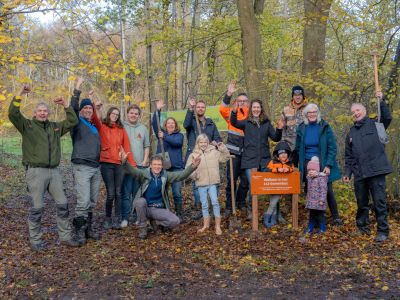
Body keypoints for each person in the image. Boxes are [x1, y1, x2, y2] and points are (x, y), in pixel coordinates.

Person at [8, 84, 80, 251]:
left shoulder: (54, 127)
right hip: (35, 172)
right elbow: (12, 113)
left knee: (63, 204)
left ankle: (66, 237)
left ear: (48, 113)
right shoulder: (27, 126)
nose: (42, 113)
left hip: (54, 172)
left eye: (45, 111)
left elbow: (73, 121)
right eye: (39, 111)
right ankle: (36, 241)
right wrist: (19, 94)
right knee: (37, 207)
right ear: (35, 113)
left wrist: (66, 105)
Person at [343, 91, 392, 242]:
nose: (355, 113)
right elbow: (349, 156)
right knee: (362, 203)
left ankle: (383, 231)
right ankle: (362, 227)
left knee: (379, 202)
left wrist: (381, 100)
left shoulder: (376, 123)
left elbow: (387, 117)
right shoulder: (351, 132)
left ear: (364, 110)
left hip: (376, 171)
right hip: (359, 173)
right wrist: (347, 173)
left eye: (357, 110)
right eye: (353, 112)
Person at [120, 151, 201, 240]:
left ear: (162, 166)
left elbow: (180, 175)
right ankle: (143, 229)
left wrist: (193, 166)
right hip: (146, 208)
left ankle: (156, 222)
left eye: (159, 164)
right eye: (154, 164)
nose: (157, 167)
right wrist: (124, 162)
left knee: (176, 221)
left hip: (158, 209)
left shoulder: (165, 176)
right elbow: (133, 171)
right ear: (150, 165)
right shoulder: (144, 174)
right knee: (140, 201)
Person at [230, 99, 284, 219]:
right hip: (250, 161)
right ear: (251, 109)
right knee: (253, 187)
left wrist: (279, 128)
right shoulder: (246, 122)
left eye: (258, 107)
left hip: (265, 161)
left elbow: (275, 138)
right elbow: (234, 123)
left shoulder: (266, 123)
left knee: (273, 185)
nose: (256, 109)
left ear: (261, 109)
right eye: (254, 107)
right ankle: (251, 212)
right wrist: (234, 111)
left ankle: (276, 212)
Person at [295, 103, 343, 226]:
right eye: (309, 112)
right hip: (307, 164)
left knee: (328, 191)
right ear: (305, 114)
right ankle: (315, 220)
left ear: (318, 113)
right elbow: (297, 147)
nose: (312, 114)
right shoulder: (301, 128)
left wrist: (328, 165)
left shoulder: (325, 127)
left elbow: (332, 147)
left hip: (323, 163)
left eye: (314, 112)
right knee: (311, 191)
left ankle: (336, 218)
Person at [92, 102, 136, 230]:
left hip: (119, 164)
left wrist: (132, 165)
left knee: (118, 192)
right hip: (106, 163)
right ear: (109, 114)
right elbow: (94, 118)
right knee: (111, 193)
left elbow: (127, 147)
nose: (115, 116)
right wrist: (95, 107)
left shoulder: (121, 129)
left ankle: (117, 218)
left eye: (117, 115)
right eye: (113, 114)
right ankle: (107, 219)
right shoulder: (102, 126)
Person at [70, 78, 101, 244]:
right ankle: (79, 231)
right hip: (82, 166)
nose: (88, 110)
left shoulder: (93, 126)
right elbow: (73, 109)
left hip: (96, 167)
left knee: (92, 200)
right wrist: (77, 89)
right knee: (83, 200)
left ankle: (89, 228)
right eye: (86, 108)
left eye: (90, 108)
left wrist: (94, 101)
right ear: (81, 110)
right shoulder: (77, 122)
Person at [183, 98, 222, 216]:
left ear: (205, 109)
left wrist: (216, 143)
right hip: (196, 154)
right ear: (196, 108)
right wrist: (190, 109)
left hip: (209, 155)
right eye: (198, 107)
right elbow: (185, 124)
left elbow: (217, 137)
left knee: (212, 182)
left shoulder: (210, 122)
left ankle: (211, 206)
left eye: (202, 107)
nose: (200, 109)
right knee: (197, 183)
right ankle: (200, 208)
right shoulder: (192, 121)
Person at [186, 134, 230, 235]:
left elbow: (225, 157)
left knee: (215, 202)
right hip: (201, 183)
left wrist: (221, 147)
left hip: (212, 183)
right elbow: (188, 169)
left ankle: (217, 226)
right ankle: (206, 225)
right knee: (204, 204)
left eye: (205, 142)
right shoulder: (193, 155)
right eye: (201, 142)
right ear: (198, 143)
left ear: (208, 143)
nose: (203, 144)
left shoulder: (214, 152)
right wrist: (195, 176)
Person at [219, 80, 249, 216]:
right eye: (239, 100)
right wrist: (229, 94)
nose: (241, 102)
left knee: (246, 181)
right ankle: (229, 206)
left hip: (248, 154)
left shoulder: (252, 116)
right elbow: (222, 109)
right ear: (236, 101)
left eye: (244, 101)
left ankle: (240, 202)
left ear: (248, 102)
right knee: (231, 180)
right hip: (233, 153)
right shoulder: (232, 113)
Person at [152, 99, 185, 220]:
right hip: (163, 169)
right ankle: (165, 214)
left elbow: (177, 143)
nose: (170, 125)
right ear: (165, 125)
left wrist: (164, 136)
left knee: (177, 193)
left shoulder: (179, 136)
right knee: (163, 193)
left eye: (173, 123)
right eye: (168, 123)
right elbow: (155, 124)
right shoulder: (160, 135)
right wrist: (158, 110)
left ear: (175, 126)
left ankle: (179, 213)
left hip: (176, 169)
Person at [120, 104, 150, 228]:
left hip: (139, 166)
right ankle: (125, 218)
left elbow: (146, 146)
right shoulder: (121, 126)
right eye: (131, 113)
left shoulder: (143, 128)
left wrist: (145, 160)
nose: (133, 115)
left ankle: (137, 217)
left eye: (136, 113)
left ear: (139, 115)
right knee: (126, 193)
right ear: (127, 114)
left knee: (137, 193)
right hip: (126, 166)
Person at [264, 141, 294, 228]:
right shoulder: (273, 162)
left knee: (275, 202)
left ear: (288, 154)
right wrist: (277, 170)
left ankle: (272, 220)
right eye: (281, 154)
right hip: (273, 186)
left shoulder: (289, 163)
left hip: (283, 186)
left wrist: (287, 170)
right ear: (277, 155)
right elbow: (267, 171)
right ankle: (266, 220)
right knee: (273, 203)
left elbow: (291, 169)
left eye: (285, 153)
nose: (283, 155)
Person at [304, 156, 329, 233]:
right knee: (312, 215)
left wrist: (322, 200)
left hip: (319, 202)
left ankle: (322, 228)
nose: (311, 171)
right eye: (309, 170)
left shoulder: (321, 178)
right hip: (311, 202)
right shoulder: (310, 178)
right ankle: (310, 228)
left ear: (317, 170)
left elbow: (323, 190)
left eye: (313, 170)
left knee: (320, 215)